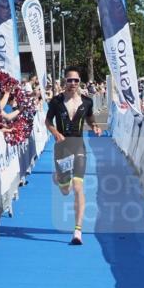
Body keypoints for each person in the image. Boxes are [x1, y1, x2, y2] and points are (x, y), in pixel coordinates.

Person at [45, 67, 101, 245]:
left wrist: (95, 127)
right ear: (64, 81)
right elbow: (47, 121)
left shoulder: (87, 102)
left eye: (76, 80)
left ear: (80, 82)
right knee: (65, 190)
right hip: (62, 147)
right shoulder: (56, 101)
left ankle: (77, 231)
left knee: (78, 188)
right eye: (70, 80)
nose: (73, 83)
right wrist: (55, 132)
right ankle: (58, 177)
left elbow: (91, 119)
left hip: (78, 146)